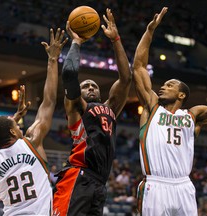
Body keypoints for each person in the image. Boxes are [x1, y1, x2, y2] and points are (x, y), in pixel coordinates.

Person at [133, 7, 207, 216]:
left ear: (182, 95)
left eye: (170, 85)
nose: (163, 86)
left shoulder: (193, 116)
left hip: (184, 186)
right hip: (155, 184)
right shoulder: (152, 106)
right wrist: (149, 31)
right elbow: (139, 68)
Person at [53, 8, 132, 216]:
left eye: (94, 86)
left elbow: (126, 79)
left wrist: (116, 39)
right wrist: (76, 42)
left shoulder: (110, 108)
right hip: (78, 176)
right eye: (86, 85)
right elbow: (69, 74)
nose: (90, 88)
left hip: (98, 183)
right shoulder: (76, 106)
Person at [0, 28, 68, 216]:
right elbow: (49, 102)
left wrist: (12, 120)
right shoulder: (32, 140)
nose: (19, 125)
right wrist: (53, 60)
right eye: (16, 124)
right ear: (13, 132)